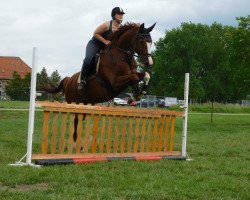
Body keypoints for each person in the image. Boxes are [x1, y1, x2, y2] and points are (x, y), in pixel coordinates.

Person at [78, 7, 125, 90]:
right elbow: (95, 34)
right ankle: (82, 80)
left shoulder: (121, 28)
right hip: (95, 44)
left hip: (106, 48)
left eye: (122, 14)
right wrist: (105, 41)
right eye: (119, 14)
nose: (121, 16)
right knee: (88, 58)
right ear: (114, 15)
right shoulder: (107, 25)